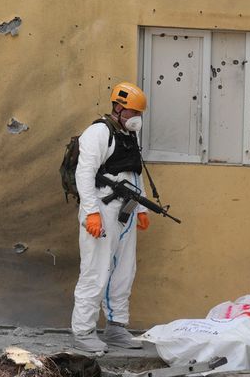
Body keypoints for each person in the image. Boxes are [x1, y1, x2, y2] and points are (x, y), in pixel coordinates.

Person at [71, 81, 151, 352]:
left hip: (125, 212)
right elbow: (84, 174)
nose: (136, 119)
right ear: (118, 108)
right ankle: (83, 332)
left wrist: (141, 209)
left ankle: (116, 327)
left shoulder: (128, 137)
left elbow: (133, 174)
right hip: (102, 211)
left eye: (139, 114)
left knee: (124, 271)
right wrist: (91, 213)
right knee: (96, 271)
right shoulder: (98, 132)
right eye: (132, 113)